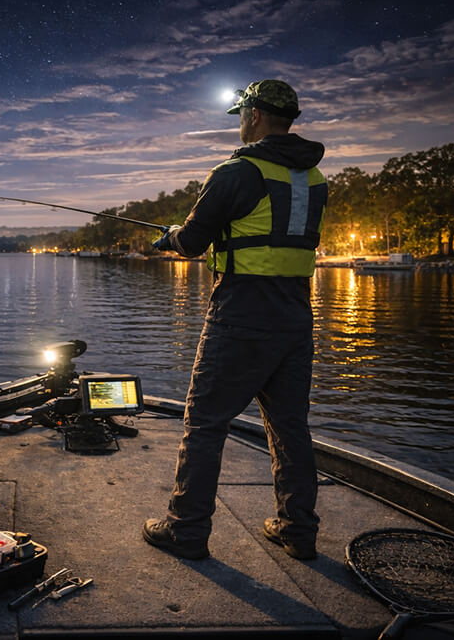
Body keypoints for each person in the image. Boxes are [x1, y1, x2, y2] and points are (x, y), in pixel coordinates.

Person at [142, 79, 327, 561]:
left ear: (255, 116)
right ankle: (298, 530)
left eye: (242, 114)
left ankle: (186, 530)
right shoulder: (314, 179)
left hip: (241, 314)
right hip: (296, 317)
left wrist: (171, 237)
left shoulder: (235, 171)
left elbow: (193, 241)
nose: (241, 122)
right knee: (290, 427)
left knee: (205, 423)